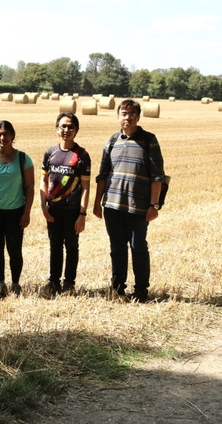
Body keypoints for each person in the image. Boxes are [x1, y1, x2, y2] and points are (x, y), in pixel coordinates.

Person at [93, 99, 165, 303]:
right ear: (118, 117)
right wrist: (97, 203)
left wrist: (154, 205)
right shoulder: (112, 141)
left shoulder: (149, 140)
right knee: (116, 248)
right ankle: (117, 288)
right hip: (112, 205)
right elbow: (102, 175)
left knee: (138, 247)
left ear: (138, 117)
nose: (128, 117)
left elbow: (157, 176)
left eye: (132, 114)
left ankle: (141, 290)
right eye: (124, 114)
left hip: (138, 207)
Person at [0, 120, 35, 298]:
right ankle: (1, 283)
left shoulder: (23, 159)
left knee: (15, 250)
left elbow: (30, 188)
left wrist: (26, 213)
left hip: (16, 212)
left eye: (6, 134)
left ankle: (16, 283)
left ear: (12, 135)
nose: (2, 138)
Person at [39, 112, 91, 297]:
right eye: (63, 126)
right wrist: (43, 205)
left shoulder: (82, 155)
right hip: (53, 209)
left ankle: (69, 283)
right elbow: (43, 180)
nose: (66, 130)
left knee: (71, 246)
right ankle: (53, 281)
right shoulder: (50, 153)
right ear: (57, 129)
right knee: (54, 246)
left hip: (72, 210)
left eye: (70, 127)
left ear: (76, 130)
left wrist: (82, 214)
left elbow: (86, 187)